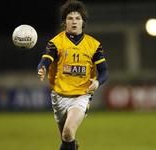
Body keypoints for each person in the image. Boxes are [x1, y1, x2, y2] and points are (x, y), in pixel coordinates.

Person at [37, 0, 109, 149]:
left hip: (81, 96)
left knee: (68, 132)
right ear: (65, 22)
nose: (74, 21)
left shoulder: (93, 45)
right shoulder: (56, 42)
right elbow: (45, 59)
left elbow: (104, 71)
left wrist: (97, 82)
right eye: (70, 18)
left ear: (83, 22)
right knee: (67, 140)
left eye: (78, 18)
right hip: (59, 96)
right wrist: (42, 67)